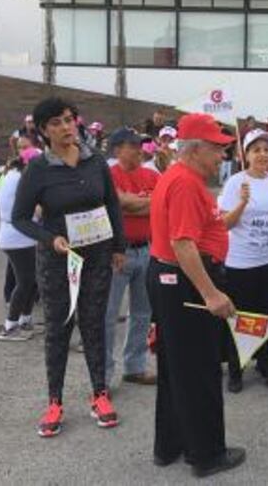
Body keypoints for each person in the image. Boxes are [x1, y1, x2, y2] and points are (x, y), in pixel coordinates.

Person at [12, 97, 126, 437]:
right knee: (59, 328)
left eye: (68, 120)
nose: (65, 128)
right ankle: (54, 401)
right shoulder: (38, 168)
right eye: (56, 123)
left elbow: (112, 204)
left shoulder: (95, 162)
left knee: (94, 323)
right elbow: (19, 218)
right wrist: (50, 240)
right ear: (44, 130)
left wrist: (119, 247)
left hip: (97, 256)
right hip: (58, 259)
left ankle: (100, 394)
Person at [147, 113, 246, 476]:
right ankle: (206, 455)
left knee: (176, 368)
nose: (222, 155)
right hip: (184, 281)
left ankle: (170, 445)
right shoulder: (186, 183)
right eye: (218, 148)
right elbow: (183, 243)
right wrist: (212, 294)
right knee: (200, 371)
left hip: (170, 279)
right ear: (197, 148)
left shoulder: (176, 176)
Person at [218, 129, 268, 393]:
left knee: (265, 312)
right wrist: (242, 203)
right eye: (256, 149)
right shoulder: (236, 183)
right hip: (240, 262)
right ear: (244, 155)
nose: (263, 154)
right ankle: (236, 368)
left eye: (267, 149)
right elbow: (224, 224)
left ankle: (266, 362)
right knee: (241, 316)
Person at [104, 128, 159, 387]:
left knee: (142, 313)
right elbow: (120, 204)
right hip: (117, 253)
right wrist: (145, 202)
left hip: (147, 250)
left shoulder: (151, 174)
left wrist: (135, 203)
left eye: (140, 145)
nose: (139, 149)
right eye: (132, 145)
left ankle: (134, 367)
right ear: (117, 150)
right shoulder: (107, 175)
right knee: (108, 316)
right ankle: (102, 375)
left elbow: (161, 204)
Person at [0, 147, 43, 341]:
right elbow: (39, 208)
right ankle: (10, 326)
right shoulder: (21, 179)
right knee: (25, 282)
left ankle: (25, 320)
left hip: (19, 234)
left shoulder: (14, 175)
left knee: (30, 281)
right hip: (17, 236)